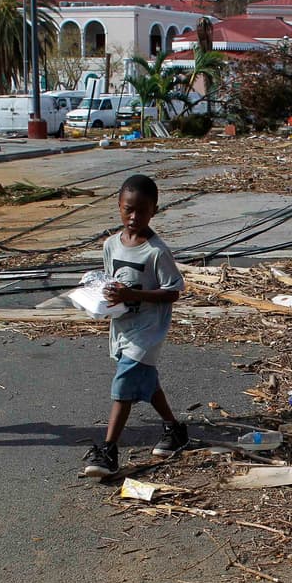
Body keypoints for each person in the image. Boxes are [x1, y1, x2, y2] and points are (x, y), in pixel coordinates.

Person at [83, 174, 189, 477]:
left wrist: (133, 295)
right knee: (144, 379)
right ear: (118, 207)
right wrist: (100, 298)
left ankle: (108, 450)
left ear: (153, 211)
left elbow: (173, 291)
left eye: (141, 211)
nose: (134, 217)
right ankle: (175, 429)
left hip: (148, 328)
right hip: (123, 326)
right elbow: (110, 282)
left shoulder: (156, 251)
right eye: (128, 209)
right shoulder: (110, 245)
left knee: (124, 383)